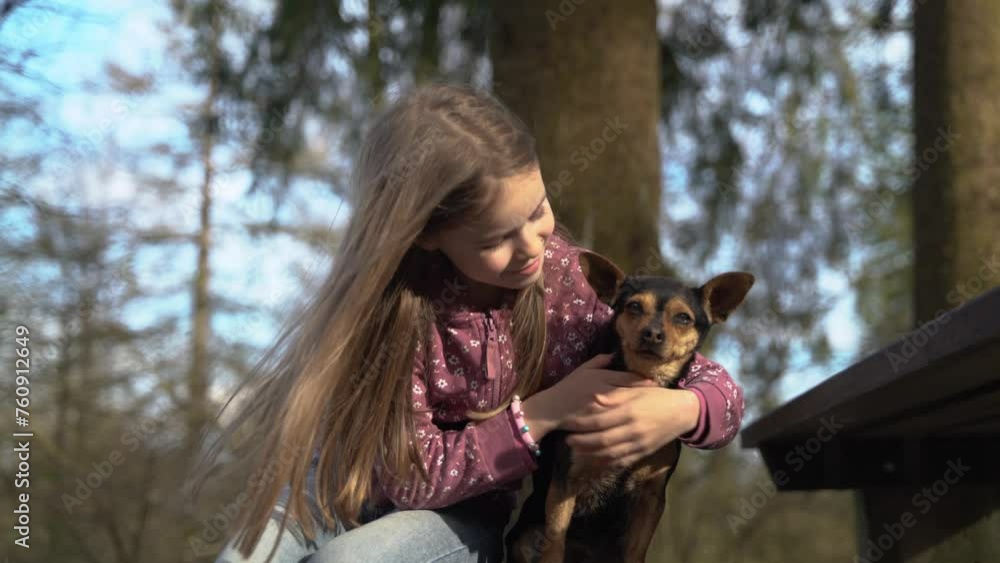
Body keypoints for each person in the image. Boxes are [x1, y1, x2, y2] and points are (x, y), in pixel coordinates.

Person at [198, 83, 744, 563]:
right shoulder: (392, 311)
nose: (533, 244)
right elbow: (411, 479)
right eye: (495, 239)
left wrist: (683, 408)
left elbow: (718, 389)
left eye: (537, 211)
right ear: (426, 234)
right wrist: (543, 412)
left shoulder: (563, 285)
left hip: (459, 520)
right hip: (335, 492)